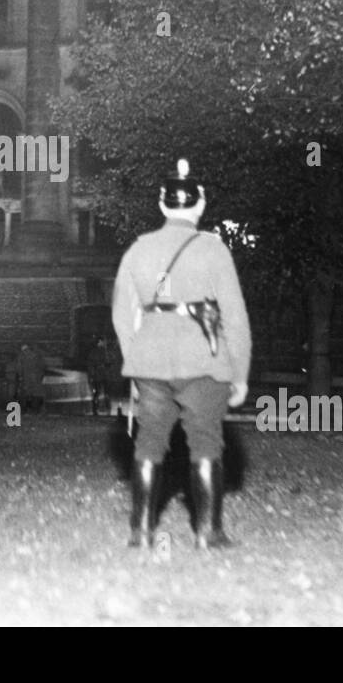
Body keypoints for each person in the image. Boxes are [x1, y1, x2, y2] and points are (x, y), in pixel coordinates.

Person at [112, 158, 252, 550]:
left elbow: (123, 313)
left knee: (149, 442)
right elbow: (235, 317)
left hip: (151, 361)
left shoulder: (138, 251)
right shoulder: (213, 250)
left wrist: (136, 357)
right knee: (206, 441)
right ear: (200, 203)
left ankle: (140, 530)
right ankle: (208, 532)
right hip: (202, 360)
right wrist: (239, 373)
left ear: (161, 203)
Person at [14, 343, 45, 412]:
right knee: (36, 393)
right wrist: (40, 376)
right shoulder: (36, 355)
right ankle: (36, 409)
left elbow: (19, 368)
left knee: (25, 393)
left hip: (26, 378)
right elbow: (42, 367)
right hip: (36, 378)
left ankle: (25, 409)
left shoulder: (21, 356)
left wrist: (20, 376)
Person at [87, 335, 110, 416]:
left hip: (101, 375)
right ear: (99, 342)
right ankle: (97, 409)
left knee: (100, 393)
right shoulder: (97, 352)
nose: (104, 343)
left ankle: (100, 409)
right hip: (99, 375)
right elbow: (92, 364)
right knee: (98, 392)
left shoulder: (102, 351)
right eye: (102, 341)